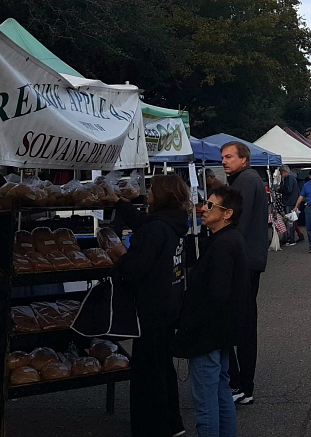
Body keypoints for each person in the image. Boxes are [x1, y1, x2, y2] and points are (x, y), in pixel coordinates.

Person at [108, 174, 189, 437]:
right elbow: (146, 224)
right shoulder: (173, 223)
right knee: (163, 367)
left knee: (148, 373)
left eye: (151, 190)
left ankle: (152, 427)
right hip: (170, 306)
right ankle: (171, 422)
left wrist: (121, 255)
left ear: (161, 195)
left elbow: (134, 269)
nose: (148, 194)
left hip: (151, 309)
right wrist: (119, 202)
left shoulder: (157, 229)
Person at [176, 182, 251, 437]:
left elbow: (217, 294)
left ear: (226, 213)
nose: (203, 209)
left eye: (210, 205)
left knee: (207, 403)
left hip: (208, 334)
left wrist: (190, 324)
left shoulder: (223, 244)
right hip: (221, 333)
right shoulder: (229, 239)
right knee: (220, 394)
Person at [222, 141, 269, 406]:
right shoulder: (247, 179)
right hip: (250, 260)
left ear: (244, 158)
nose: (224, 161)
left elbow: (238, 221)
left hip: (244, 263)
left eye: (229, 156)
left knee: (241, 323)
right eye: (223, 157)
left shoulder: (245, 181)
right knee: (244, 322)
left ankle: (240, 384)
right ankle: (241, 383)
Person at [277, 165, 303, 246]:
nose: (281, 174)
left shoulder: (289, 178)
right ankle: (291, 237)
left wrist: (279, 189)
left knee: (290, 221)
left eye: (281, 172)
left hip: (289, 202)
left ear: (285, 172)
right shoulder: (292, 178)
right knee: (291, 221)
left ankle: (291, 239)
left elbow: (288, 189)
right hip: (291, 202)